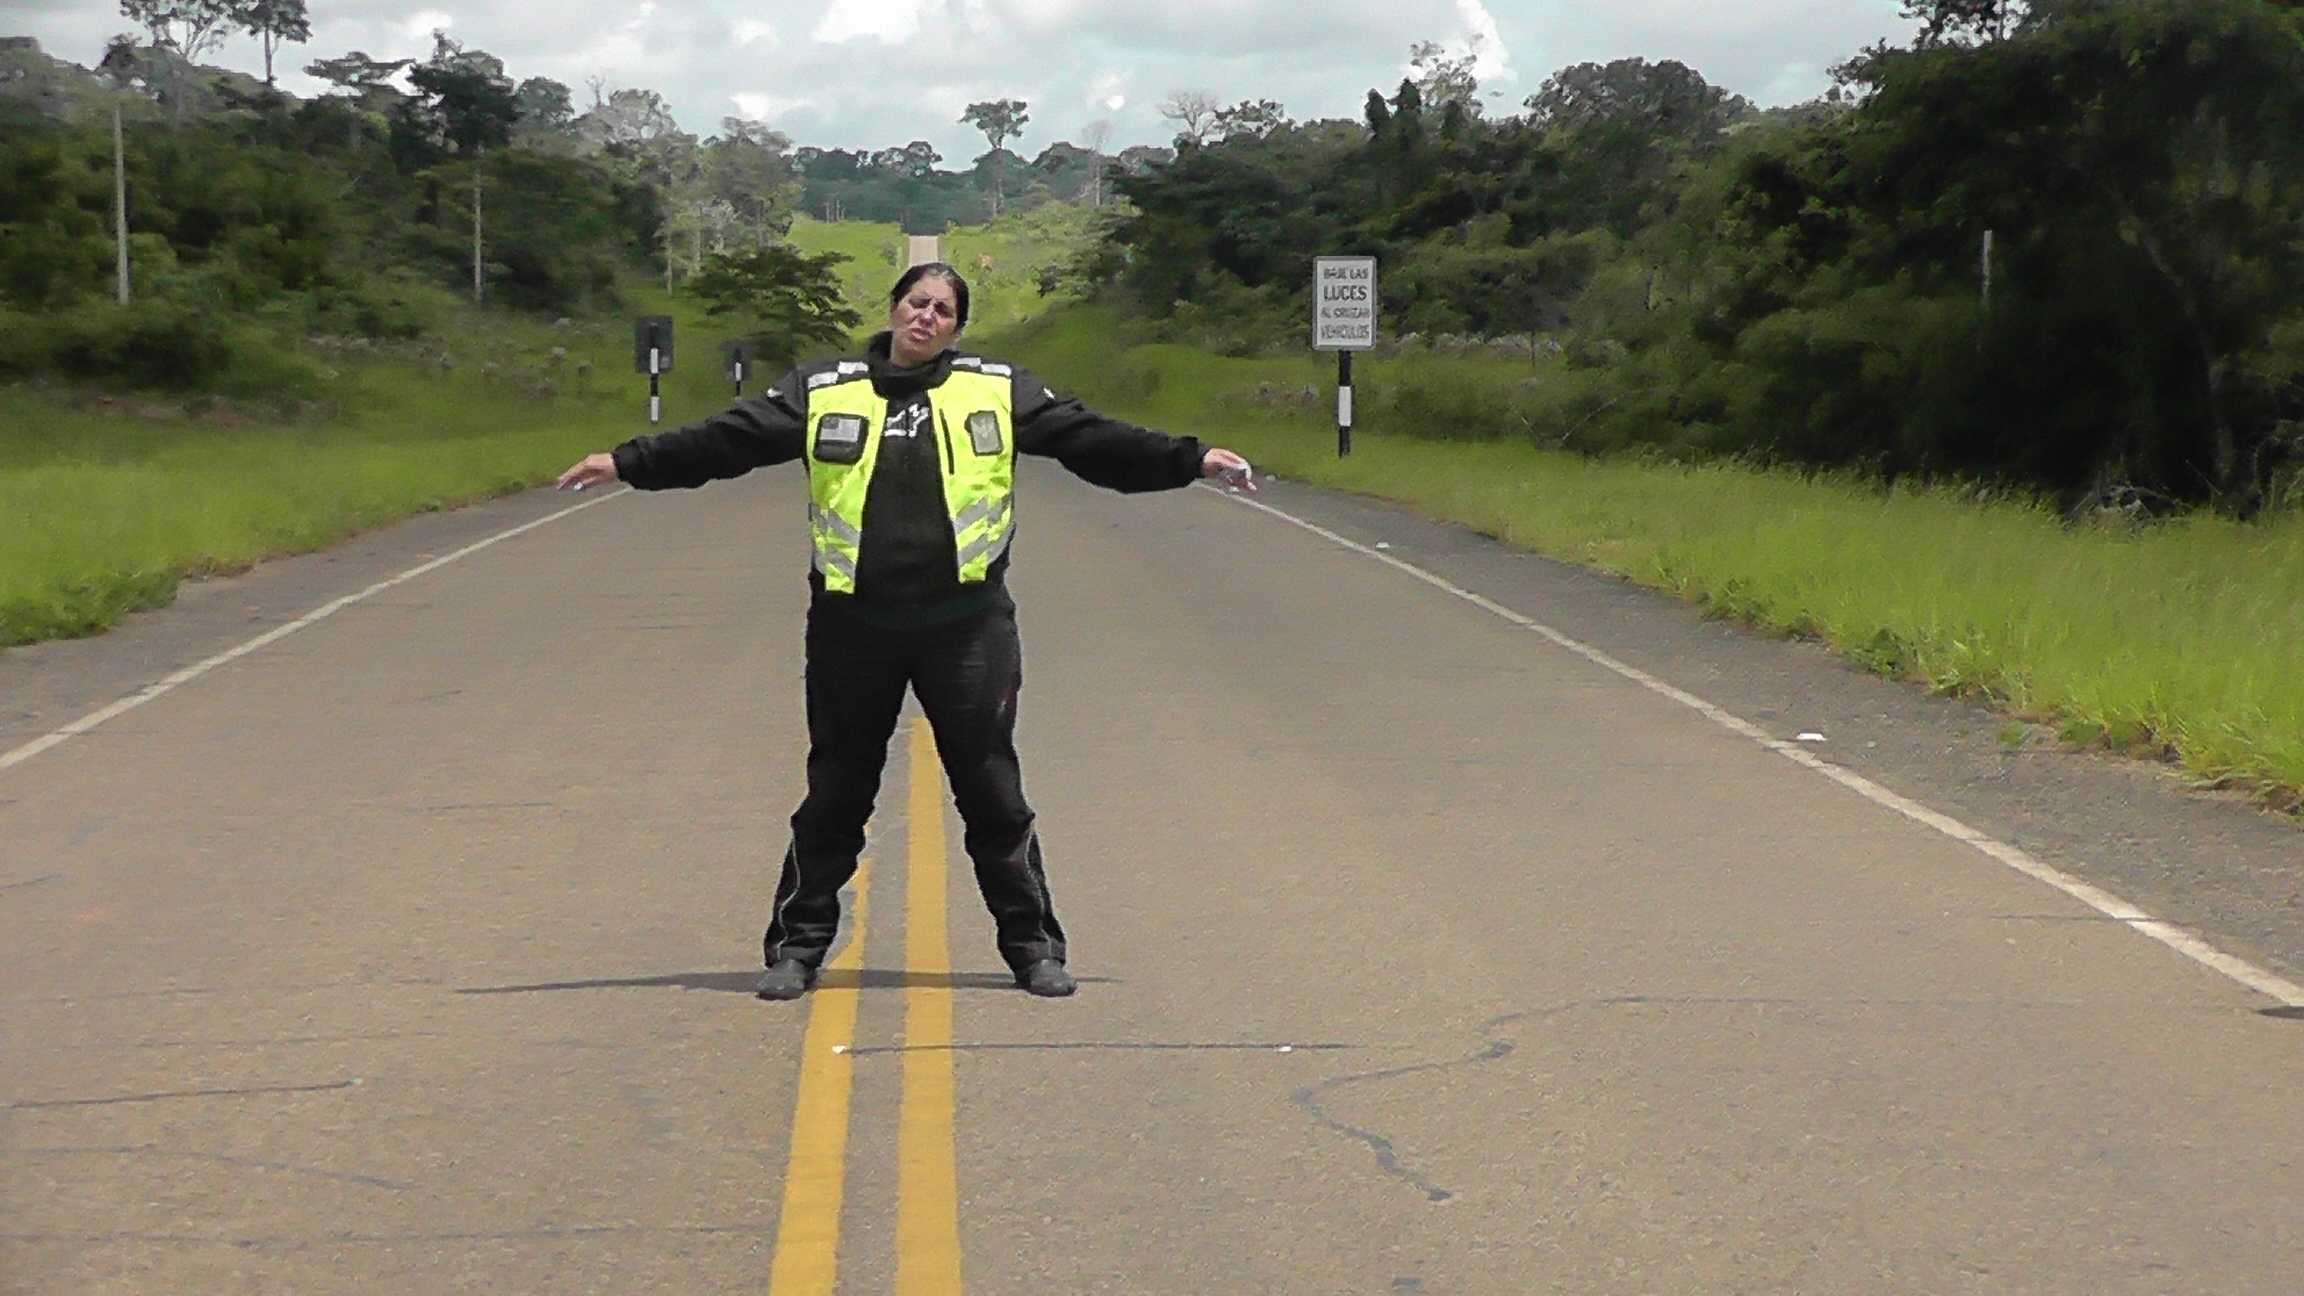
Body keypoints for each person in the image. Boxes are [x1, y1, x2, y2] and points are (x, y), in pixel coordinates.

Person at [555, 263, 1256, 1000]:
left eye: (945, 310)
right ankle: (796, 948)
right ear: (893, 308)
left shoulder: (997, 388)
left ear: (957, 326)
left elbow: (1094, 442)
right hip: (852, 628)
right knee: (836, 792)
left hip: (966, 629)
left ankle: (1033, 948)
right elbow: (727, 441)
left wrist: (1191, 459)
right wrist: (627, 462)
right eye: (917, 303)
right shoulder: (823, 389)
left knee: (991, 792)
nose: (927, 318)